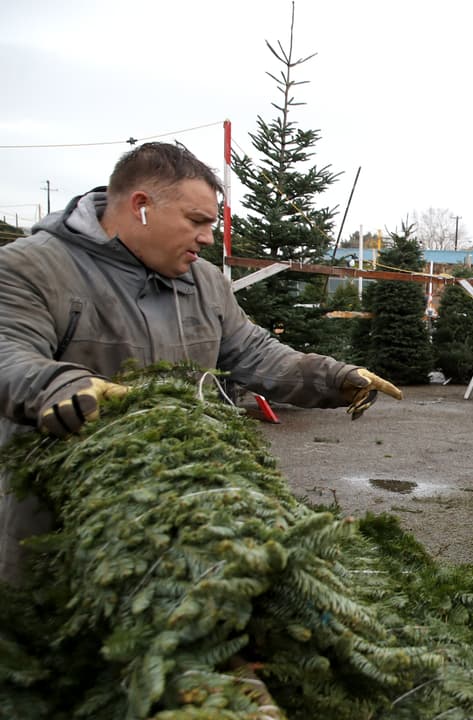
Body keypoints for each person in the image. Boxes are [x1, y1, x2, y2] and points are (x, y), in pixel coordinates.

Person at [0, 142, 403, 585]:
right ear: (142, 207)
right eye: (197, 221)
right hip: (64, 518)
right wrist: (58, 386)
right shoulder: (31, 267)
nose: (208, 237)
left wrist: (335, 377)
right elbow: (9, 352)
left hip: (186, 513)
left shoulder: (205, 282)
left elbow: (255, 351)